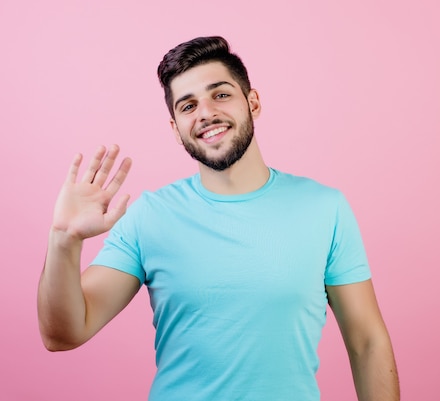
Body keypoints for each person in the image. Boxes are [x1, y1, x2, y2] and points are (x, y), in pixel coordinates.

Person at [37, 36, 400, 401]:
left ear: (252, 102)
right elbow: (64, 334)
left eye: (221, 94)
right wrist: (63, 239)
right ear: (175, 128)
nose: (206, 112)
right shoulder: (150, 216)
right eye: (188, 105)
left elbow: (367, 342)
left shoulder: (324, 208)